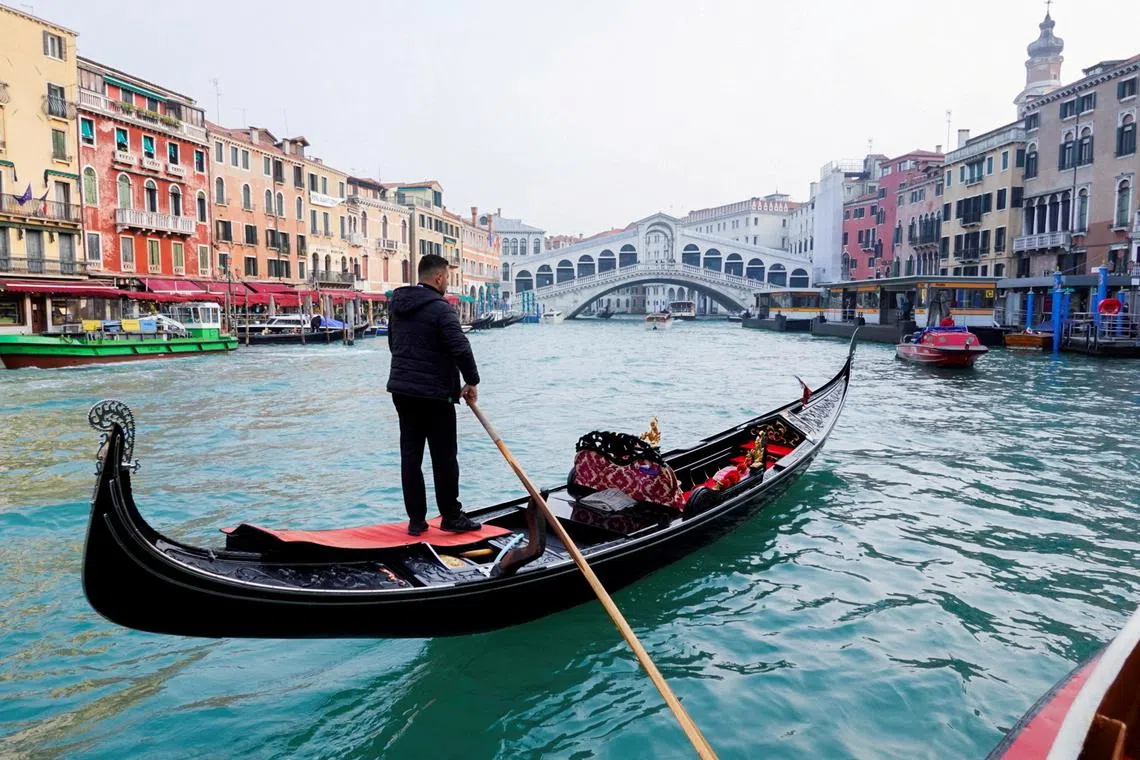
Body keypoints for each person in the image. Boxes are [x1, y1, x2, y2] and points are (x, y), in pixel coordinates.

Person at [387, 254, 481, 536]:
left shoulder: (398, 306)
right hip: (435, 395)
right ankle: (451, 516)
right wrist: (472, 381)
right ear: (439, 277)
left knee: (410, 456)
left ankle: (417, 521)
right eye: (448, 277)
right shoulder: (441, 309)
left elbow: (394, 344)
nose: (448, 283)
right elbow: (460, 348)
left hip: (402, 391)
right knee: (444, 457)